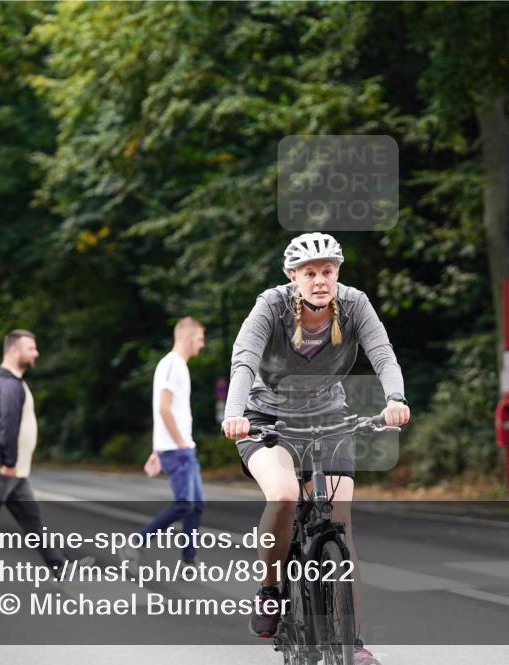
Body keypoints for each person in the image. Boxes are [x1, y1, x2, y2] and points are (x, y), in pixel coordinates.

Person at [221, 232, 410, 665]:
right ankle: (270, 590)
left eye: (327, 271)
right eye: (310, 273)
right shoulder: (270, 305)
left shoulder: (355, 304)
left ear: (337, 274)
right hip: (267, 420)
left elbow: (383, 354)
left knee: (339, 522)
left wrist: (396, 399)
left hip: (329, 419)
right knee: (286, 495)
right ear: (293, 276)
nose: (320, 280)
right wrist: (236, 414)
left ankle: (354, 641)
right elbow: (245, 359)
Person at [0, 330, 93, 575]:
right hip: (0, 468)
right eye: (31, 348)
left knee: (34, 523)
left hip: (12, 470)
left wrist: (14, 466)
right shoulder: (9, 383)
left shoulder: (10, 381)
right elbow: (8, 422)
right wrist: (9, 461)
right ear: (14, 351)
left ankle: (61, 567)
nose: (37, 353)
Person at [121, 317, 206, 571]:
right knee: (184, 504)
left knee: (196, 504)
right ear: (187, 337)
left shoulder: (177, 365)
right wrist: (177, 445)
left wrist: (158, 448)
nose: (201, 345)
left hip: (180, 448)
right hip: (178, 449)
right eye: (200, 339)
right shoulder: (172, 365)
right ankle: (135, 542)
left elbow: (170, 412)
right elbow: (163, 408)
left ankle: (189, 560)